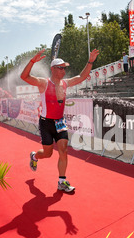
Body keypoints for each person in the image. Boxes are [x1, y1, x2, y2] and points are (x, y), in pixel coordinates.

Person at [20, 48, 99, 193]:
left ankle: (62, 182)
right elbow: (24, 77)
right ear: (53, 69)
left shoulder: (65, 83)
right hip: (46, 123)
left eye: (64, 68)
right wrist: (32, 61)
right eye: (61, 68)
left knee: (63, 150)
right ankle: (34, 156)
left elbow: (82, 77)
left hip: (60, 122)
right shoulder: (43, 83)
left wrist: (90, 61)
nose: (64, 70)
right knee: (47, 153)